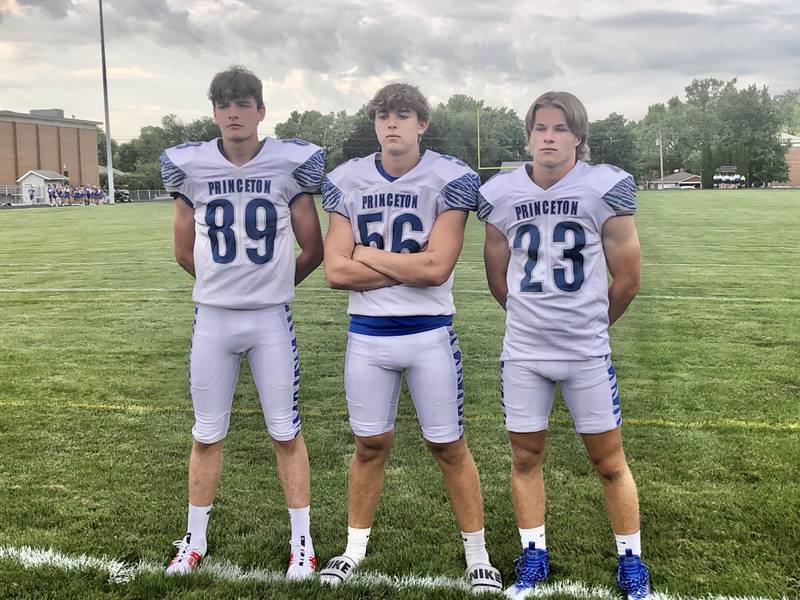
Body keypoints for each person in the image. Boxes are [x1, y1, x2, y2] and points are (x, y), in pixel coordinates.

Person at [318, 83, 502, 593]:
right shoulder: (347, 179)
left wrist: (365, 253)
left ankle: (478, 554)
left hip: (429, 336)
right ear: (374, 123)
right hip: (368, 337)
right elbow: (335, 272)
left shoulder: (449, 176)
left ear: (422, 123)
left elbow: (438, 268)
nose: (392, 123)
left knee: (448, 445)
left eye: (403, 115)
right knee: (369, 445)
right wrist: (408, 266)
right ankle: (353, 548)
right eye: (383, 115)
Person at [479, 91, 651, 600]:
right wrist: (535, 323)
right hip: (524, 353)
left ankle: (631, 560)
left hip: (585, 352)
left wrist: (589, 326)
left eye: (559, 129)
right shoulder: (502, 193)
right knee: (525, 457)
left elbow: (628, 279)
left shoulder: (605, 187)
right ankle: (533, 554)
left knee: (609, 461)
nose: (548, 137)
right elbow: (497, 278)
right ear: (529, 135)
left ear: (578, 136)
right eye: (540, 128)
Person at [159, 65, 325, 580]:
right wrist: (223, 287)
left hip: (270, 321)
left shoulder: (288, 163)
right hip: (213, 319)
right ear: (213, 111)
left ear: (260, 111)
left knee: (284, 431)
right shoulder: (192, 167)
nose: (233, 111)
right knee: (206, 434)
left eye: (243, 102)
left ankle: (304, 544)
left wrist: (273, 286)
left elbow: (313, 247)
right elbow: (184, 251)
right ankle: (194, 539)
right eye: (223, 103)